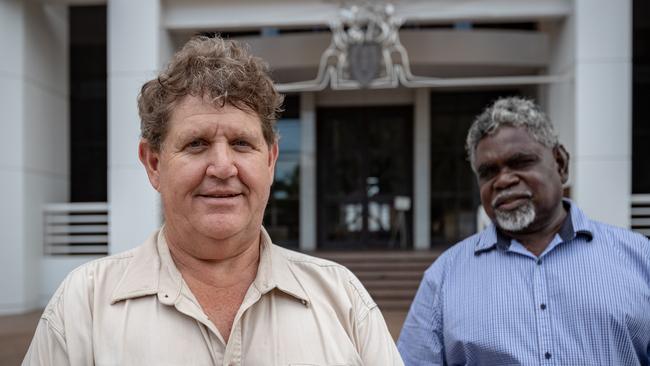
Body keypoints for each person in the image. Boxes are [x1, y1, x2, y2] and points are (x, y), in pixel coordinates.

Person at [23, 36, 403, 366]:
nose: (222, 167)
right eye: (196, 144)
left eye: (241, 143)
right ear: (154, 164)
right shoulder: (82, 308)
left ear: (270, 160)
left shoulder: (343, 300)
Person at [398, 97, 650, 365]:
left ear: (560, 163)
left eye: (520, 162)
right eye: (488, 172)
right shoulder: (444, 278)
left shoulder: (640, 258)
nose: (504, 179)